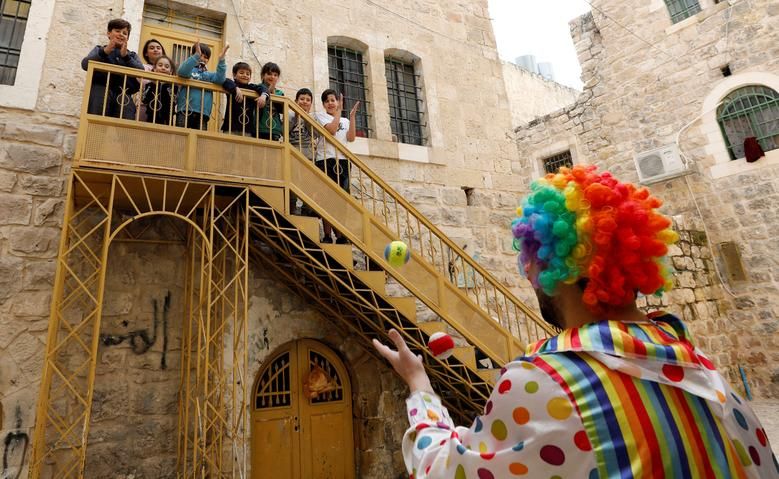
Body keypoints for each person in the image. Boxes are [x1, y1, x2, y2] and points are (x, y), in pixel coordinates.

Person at [373, 165, 779, 478]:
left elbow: (444, 469)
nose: (527, 273)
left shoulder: (546, 381)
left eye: (530, 258)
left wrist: (419, 385)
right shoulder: (704, 371)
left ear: (554, 266)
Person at [313, 89, 359, 243]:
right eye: (327, 101)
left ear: (338, 102)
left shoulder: (345, 120)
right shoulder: (321, 116)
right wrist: (339, 112)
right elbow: (332, 130)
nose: (330, 103)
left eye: (333, 100)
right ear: (323, 104)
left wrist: (352, 117)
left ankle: (340, 235)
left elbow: (351, 138)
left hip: (343, 161)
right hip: (326, 160)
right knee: (327, 199)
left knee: (341, 201)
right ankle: (327, 235)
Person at [81, 18, 144, 119]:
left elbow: (141, 71)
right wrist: (105, 52)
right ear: (109, 34)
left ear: (127, 38)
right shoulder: (99, 49)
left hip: (124, 94)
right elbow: (85, 64)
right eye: (117, 31)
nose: (121, 34)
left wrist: (126, 57)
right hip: (101, 91)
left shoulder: (132, 55)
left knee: (123, 124)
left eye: (125, 33)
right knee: (97, 120)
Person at [176, 40, 228, 130]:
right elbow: (182, 72)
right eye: (200, 55)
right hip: (185, 110)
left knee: (199, 138)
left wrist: (221, 60)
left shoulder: (209, 75)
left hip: (202, 113)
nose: (202, 58)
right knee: (181, 136)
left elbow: (220, 79)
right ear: (193, 55)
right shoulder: (189, 70)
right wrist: (196, 56)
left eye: (206, 57)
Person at [220, 61, 269, 136]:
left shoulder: (251, 87)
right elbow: (225, 81)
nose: (245, 75)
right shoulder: (231, 86)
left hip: (247, 130)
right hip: (230, 127)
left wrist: (263, 96)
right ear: (234, 75)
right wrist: (236, 88)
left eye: (248, 74)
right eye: (241, 73)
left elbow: (263, 88)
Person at [288, 88, 316, 215]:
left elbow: (315, 134)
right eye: (302, 99)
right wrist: (296, 116)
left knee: (308, 183)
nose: (305, 102)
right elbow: (284, 131)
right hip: (292, 152)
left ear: (311, 104)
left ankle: (306, 209)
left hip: (308, 154)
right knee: (293, 180)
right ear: (296, 101)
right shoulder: (289, 115)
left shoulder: (312, 118)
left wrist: (306, 117)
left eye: (308, 100)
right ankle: (292, 207)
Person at [141, 55, 177, 125]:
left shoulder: (173, 86)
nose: (163, 68)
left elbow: (174, 100)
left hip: (167, 118)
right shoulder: (149, 85)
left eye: (167, 67)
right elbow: (144, 100)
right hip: (151, 117)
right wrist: (154, 85)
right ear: (154, 69)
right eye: (160, 65)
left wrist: (166, 85)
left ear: (171, 71)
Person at [137, 38, 167, 120]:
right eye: (152, 48)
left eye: (158, 48)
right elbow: (144, 83)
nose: (155, 50)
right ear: (146, 53)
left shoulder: (168, 69)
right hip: (145, 106)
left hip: (164, 108)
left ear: (162, 52)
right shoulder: (143, 67)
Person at [257, 62, 284, 141]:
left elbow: (282, 110)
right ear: (263, 75)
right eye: (269, 74)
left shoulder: (279, 93)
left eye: (275, 75)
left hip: (274, 129)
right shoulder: (258, 88)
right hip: (260, 128)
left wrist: (273, 93)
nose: (272, 77)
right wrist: (268, 91)